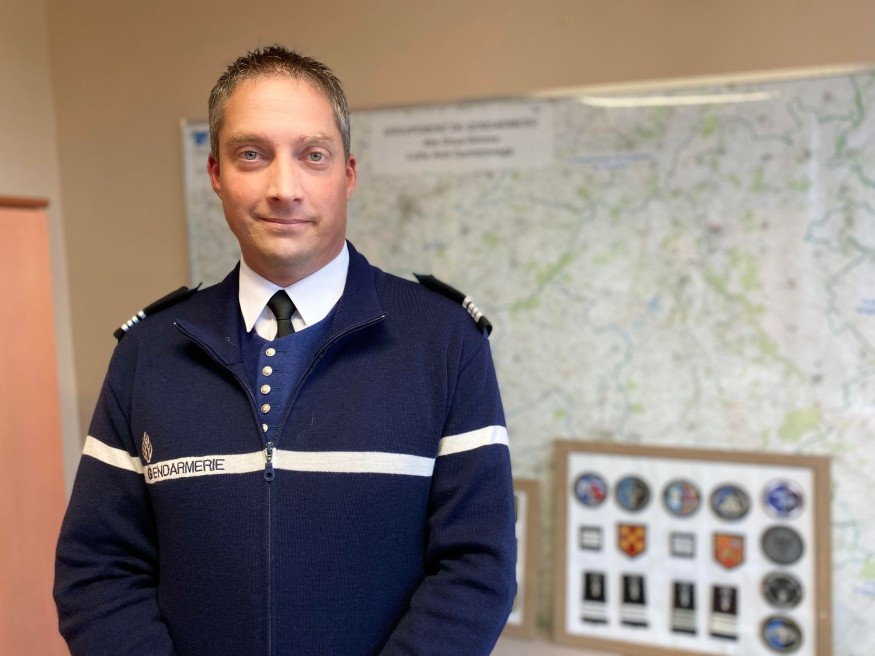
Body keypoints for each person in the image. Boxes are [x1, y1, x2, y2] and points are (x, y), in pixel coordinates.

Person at [54, 46, 516, 655]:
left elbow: (477, 567)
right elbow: (97, 571)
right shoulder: (149, 351)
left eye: (313, 155)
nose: (284, 189)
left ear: (348, 174)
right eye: (252, 154)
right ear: (216, 173)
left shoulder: (445, 341)